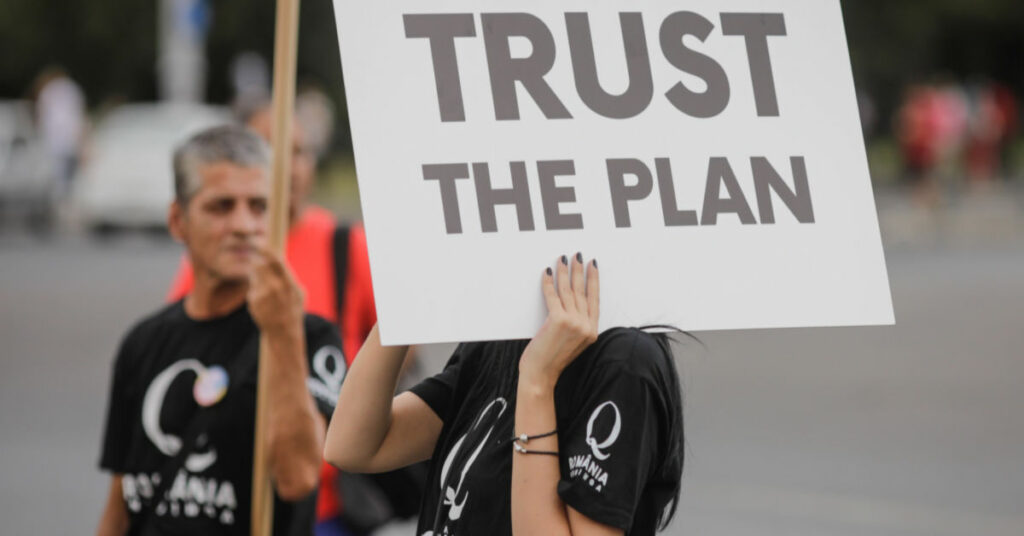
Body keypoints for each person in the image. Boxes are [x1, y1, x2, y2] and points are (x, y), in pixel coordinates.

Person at [165, 103, 414, 536]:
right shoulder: (221, 253)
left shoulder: (344, 243)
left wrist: (347, 390)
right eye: (272, 148)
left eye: (300, 151)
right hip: (239, 494)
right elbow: (182, 342)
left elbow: (403, 334)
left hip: (331, 500)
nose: (291, 167)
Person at [324, 254, 685, 535]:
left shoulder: (624, 361)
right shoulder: (509, 329)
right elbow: (352, 446)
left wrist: (536, 382)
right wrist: (404, 300)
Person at [96, 125, 343, 535]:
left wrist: (282, 334)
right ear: (178, 220)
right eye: (222, 206)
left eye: (260, 207)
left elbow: (298, 476)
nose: (244, 225)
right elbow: (121, 501)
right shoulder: (143, 342)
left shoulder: (311, 338)